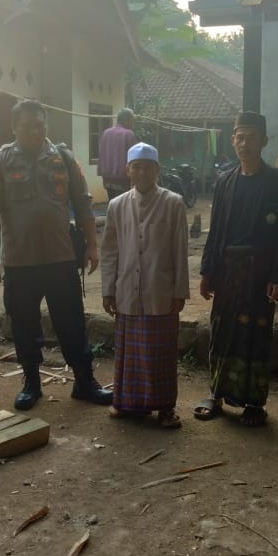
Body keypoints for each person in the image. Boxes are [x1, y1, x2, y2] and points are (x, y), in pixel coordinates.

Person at [0, 99, 113, 411]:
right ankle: (31, 384)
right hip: (19, 262)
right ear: (14, 127)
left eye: (40, 125)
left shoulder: (62, 157)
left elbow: (83, 204)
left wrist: (92, 246)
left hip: (60, 258)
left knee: (72, 323)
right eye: (27, 126)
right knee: (24, 325)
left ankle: (84, 381)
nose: (35, 131)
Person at [195, 111, 278, 427]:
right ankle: (216, 394)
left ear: (264, 141)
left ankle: (254, 403)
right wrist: (207, 271)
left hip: (260, 272)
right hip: (227, 271)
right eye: (239, 137)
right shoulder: (225, 181)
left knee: (256, 333)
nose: (244, 143)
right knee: (221, 330)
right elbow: (215, 230)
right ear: (232, 140)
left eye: (251, 137)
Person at [100, 142, 189, 428]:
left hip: (160, 290)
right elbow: (109, 251)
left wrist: (179, 291)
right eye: (136, 167)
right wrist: (108, 289)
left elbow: (180, 250)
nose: (142, 173)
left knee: (161, 353)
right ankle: (128, 404)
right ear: (127, 170)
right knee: (130, 354)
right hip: (127, 289)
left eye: (147, 167)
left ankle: (165, 408)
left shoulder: (173, 203)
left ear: (157, 170)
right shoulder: (116, 205)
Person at [98, 108, 138, 200]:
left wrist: (103, 176)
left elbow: (101, 155)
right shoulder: (128, 134)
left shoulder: (106, 133)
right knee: (124, 206)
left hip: (108, 180)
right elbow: (134, 159)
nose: (133, 123)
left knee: (113, 204)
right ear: (127, 119)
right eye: (132, 120)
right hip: (123, 181)